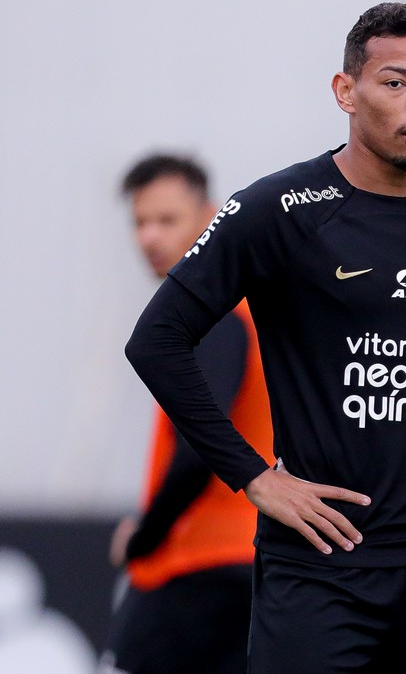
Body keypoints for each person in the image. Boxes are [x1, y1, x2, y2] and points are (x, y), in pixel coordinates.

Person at [124, 2, 406, 674]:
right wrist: (253, 476)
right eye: (396, 82)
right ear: (347, 91)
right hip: (316, 560)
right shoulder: (277, 210)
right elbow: (156, 341)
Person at [101, 154, 274, 674]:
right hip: (247, 565)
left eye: (167, 219)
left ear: (210, 217)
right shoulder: (243, 309)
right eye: (139, 221)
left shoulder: (213, 315)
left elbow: (201, 444)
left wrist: (145, 534)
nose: (148, 236)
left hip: (195, 565)